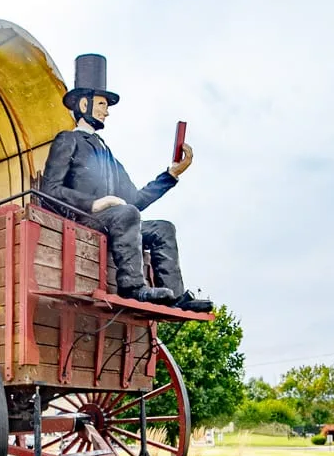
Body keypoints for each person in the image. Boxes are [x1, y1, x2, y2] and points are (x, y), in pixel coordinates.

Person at [40, 53, 213, 313]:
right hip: (80, 220)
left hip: (116, 223)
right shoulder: (68, 140)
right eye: (101, 103)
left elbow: (134, 201)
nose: (106, 111)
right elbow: (49, 191)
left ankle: (176, 295)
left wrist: (172, 174)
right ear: (84, 104)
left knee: (163, 228)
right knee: (125, 213)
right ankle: (132, 287)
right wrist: (95, 204)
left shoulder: (107, 155)